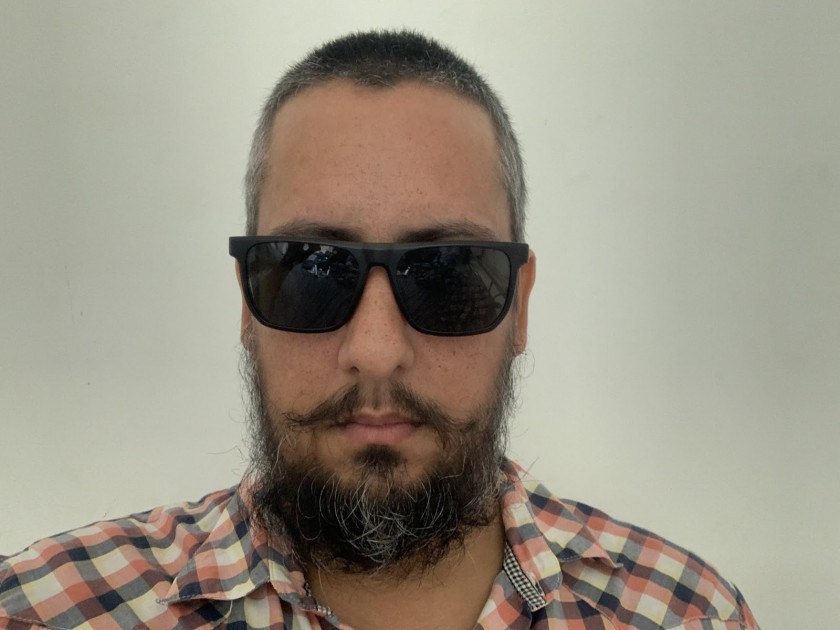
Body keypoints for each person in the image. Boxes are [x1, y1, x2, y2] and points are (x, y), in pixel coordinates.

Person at [0, 30, 760, 630]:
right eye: (310, 270)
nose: (375, 351)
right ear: (246, 303)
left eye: (447, 273)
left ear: (520, 307)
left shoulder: (689, 615)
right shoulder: (36, 612)